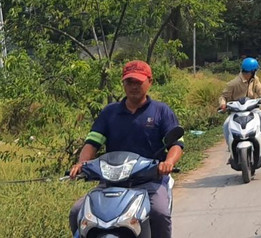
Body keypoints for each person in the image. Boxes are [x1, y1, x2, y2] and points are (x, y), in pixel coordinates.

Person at [70, 60, 184, 238]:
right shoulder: (109, 113)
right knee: (77, 211)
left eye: (138, 82)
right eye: (129, 82)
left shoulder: (161, 111)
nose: (133, 87)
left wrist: (168, 162)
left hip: (150, 181)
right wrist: (81, 164)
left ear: (150, 81)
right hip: (111, 182)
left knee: (159, 213)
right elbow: (92, 143)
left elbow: (176, 144)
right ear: (123, 84)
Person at [218, 57, 261, 160]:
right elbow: (223, 96)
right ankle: (231, 151)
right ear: (251, 71)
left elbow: (260, 90)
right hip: (236, 111)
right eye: (254, 71)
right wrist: (223, 104)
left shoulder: (254, 80)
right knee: (226, 125)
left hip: (252, 109)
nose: (255, 73)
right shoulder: (233, 83)